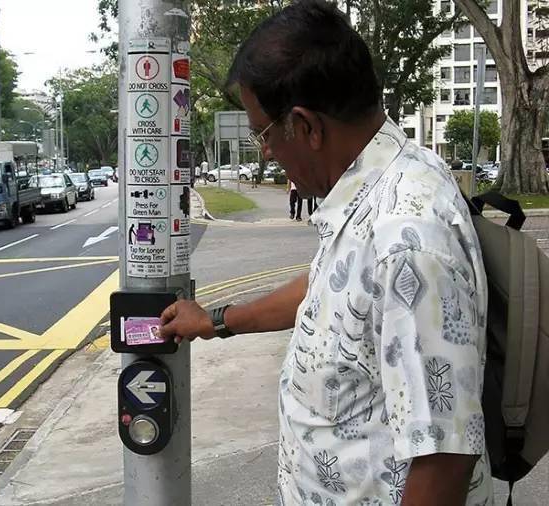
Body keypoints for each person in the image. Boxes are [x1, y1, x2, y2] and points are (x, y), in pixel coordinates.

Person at [159, 2, 490, 505]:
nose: (265, 152)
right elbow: (328, 289)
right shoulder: (375, 190)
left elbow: (443, 456)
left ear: (306, 127)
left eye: (263, 134)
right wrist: (217, 321)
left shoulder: (407, 239)